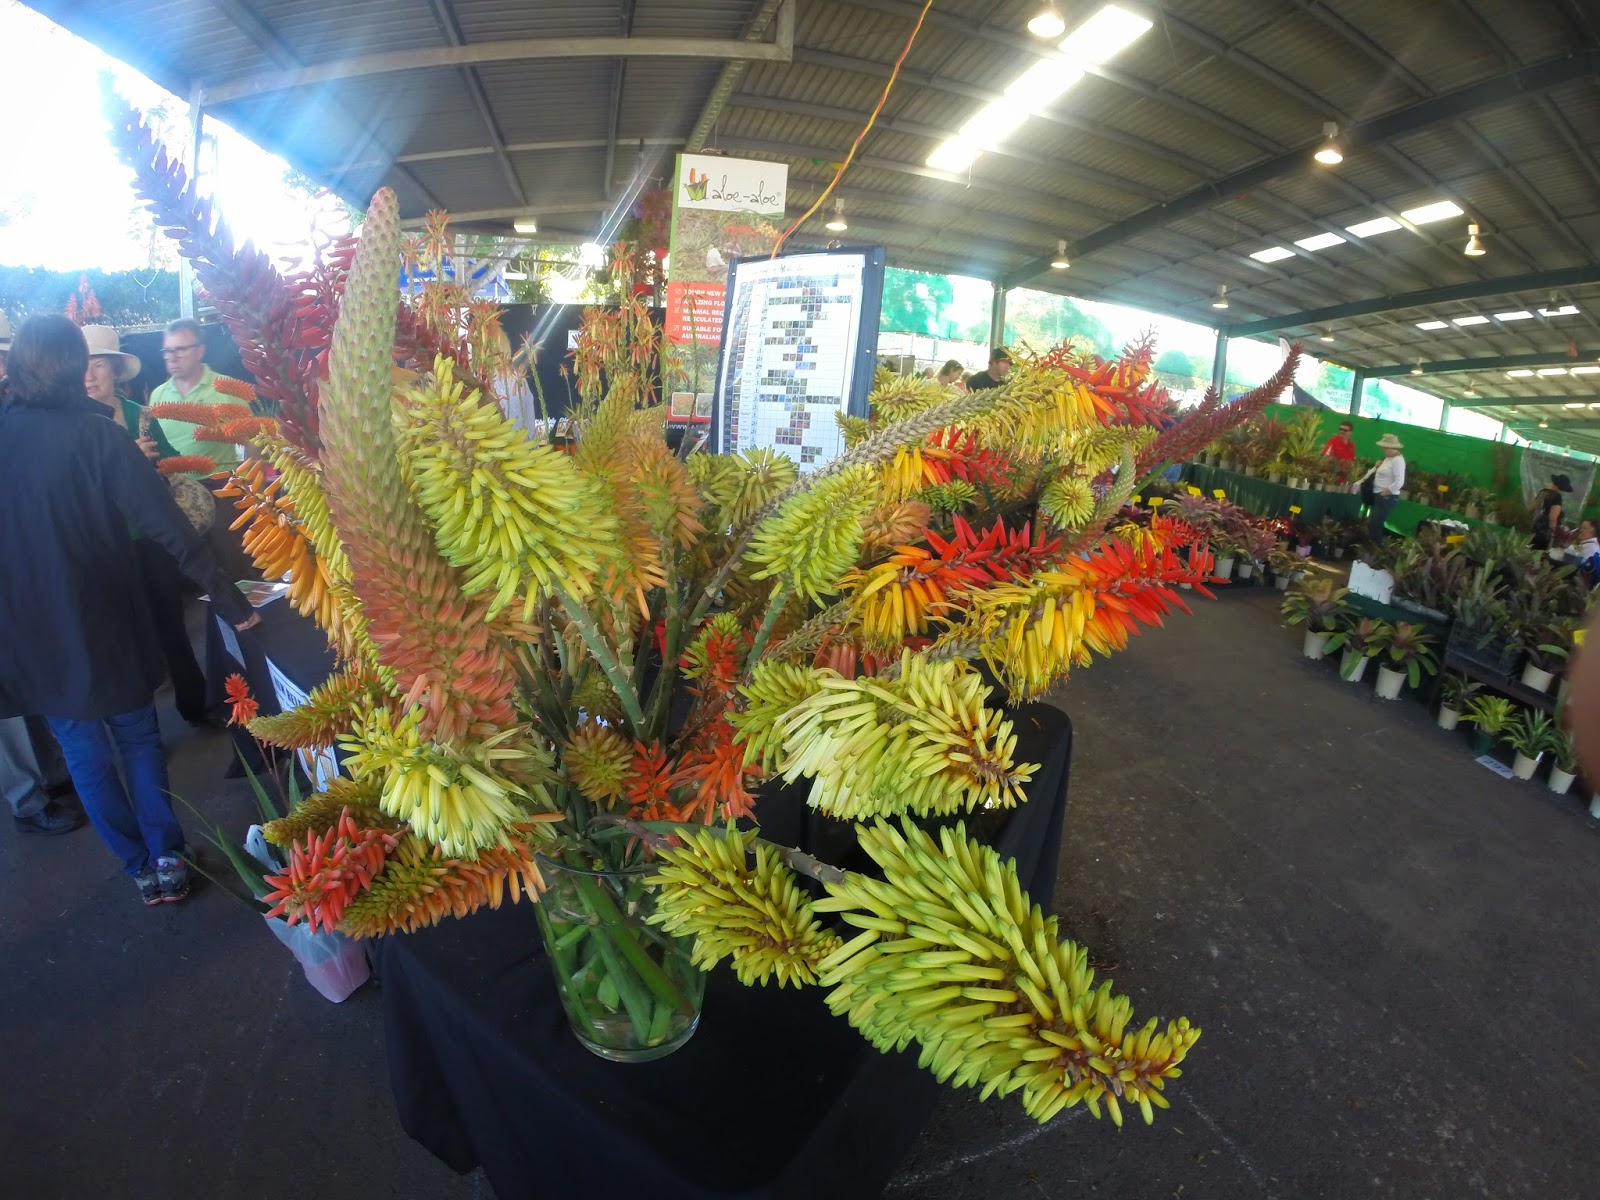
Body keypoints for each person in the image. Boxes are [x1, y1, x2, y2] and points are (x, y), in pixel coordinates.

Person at [0, 316, 260, 905]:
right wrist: (227, 595)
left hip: (34, 629)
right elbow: (170, 528)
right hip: (105, 617)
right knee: (138, 737)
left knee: (82, 751)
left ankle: (139, 866)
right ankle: (168, 855)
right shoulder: (98, 436)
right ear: (72, 368)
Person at [84, 326, 218, 729]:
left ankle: (195, 707)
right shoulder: (76, 424)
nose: (90, 376)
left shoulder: (141, 415)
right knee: (125, 637)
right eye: (83, 367)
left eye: (99, 365)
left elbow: (173, 461)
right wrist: (124, 460)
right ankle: (140, 729)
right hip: (106, 546)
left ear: (115, 371)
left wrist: (155, 463)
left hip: (151, 540)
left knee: (171, 625)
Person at [147, 317, 242, 476]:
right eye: (168, 351)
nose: (172, 357)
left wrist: (251, 489)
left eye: (181, 349)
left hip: (220, 489)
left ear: (200, 351)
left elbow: (253, 442)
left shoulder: (228, 388)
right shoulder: (158, 395)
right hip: (174, 490)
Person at [1361, 432, 1406, 543]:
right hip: (1379, 494)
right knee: (1374, 523)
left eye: (1385, 448)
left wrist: (1388, 490)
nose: (1383, 450)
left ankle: (1378, 549)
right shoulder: (1388, 458)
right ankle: (1375, 548)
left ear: (1391, 448)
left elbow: (1400, 480)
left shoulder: (1398, 461)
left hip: (1386, 496)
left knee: (1375, 524)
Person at [1529, 473, 1572, 552]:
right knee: (1541, 554)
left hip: (1536, 528)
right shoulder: (1557, 497)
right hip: (1546, 533)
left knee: (1531, 551)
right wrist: (1553, 535)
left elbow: (1530, 508)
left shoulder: (1543, 492)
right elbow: (1553, 518)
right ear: (1563, 488)